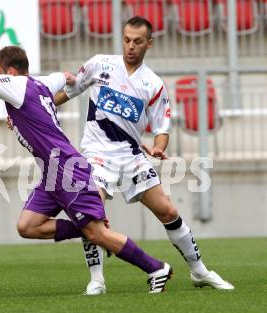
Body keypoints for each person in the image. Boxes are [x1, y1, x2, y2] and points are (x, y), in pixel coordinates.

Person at [0, 45, 173, 293]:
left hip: (66, 170)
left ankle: (155, 268)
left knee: (96, 234)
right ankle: (89, 227)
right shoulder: (43, 83)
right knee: (28, 226)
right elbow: (68, 78)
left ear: (11, 72)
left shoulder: (16, 85)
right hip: (53, 172)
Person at [54, 16, 234, 294]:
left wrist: (160, 146)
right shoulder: (100, 64)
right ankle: (97, 280)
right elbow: (69, 90)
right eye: (127, 40)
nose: (130, 46)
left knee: (168, 210)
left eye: (138, 41)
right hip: (97, 153)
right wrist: (36, 109)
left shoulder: (153, 84)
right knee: (92, 213)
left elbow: (162, 127)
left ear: (149, 43)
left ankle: (200, 272)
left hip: (131, 156)